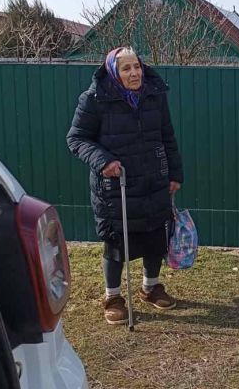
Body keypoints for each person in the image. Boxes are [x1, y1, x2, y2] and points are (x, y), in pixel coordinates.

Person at [67, 46, 184, 325]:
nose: (134, 73)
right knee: (116, 243)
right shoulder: (94, 99)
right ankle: (113, 297)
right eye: (126, 68)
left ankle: (151, 287)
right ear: (113, 72)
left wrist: (175, 174)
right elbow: (77, 139)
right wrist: (103, 161)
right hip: (115, 186)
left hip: (154, 180)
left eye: (137, 67)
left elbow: (167, 136)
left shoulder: (155, 95)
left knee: (156, 237)